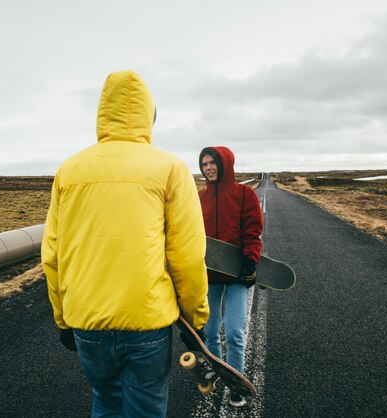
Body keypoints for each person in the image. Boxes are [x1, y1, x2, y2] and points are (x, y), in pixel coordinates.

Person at [41, 70, 209, 418]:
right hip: (147, 322)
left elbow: (53, 255)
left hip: (87, 322)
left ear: (102, 112)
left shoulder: (69, 170)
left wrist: (62, 319)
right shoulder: (170, 168)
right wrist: (196, 320)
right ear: (149, 115)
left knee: (104, 401)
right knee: (145, 409)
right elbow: (187, 255)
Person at [198, 146, 264, 408]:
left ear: (225, 164)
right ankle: (217, 373)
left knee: (235, 331)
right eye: (204, 164)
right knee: (211, 331)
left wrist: (251, 261)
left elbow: (253, 228)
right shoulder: (199, 198)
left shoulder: (244, 194)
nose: (208, 168)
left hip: (237, 274)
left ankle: (236, 382)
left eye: (213, 162)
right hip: (209, 275)